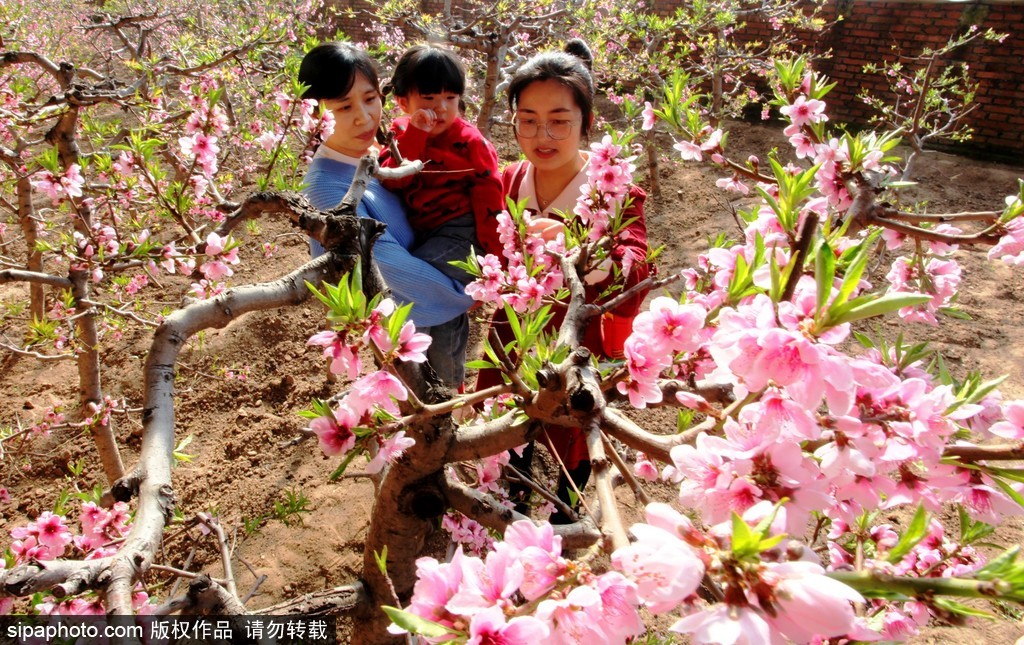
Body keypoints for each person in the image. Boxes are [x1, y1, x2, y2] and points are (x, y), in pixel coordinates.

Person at [478, 40, 652, 523]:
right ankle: (510, 493)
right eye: (527, 118)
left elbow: (635, 264)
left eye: (560, 119)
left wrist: (581, 245)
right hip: (515, 328)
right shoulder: (511, 179)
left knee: (572, 426)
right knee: (509, 414)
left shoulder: (612, 191)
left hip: (577, 336)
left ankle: (567, 510)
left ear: (586, 122)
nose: (543, 134)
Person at [297, 42, 473, 357]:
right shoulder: (326, 188)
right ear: (313, 113)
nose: (364, 118)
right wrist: (467, 290)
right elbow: (388, 272)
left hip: (435, 319)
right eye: (343, 107)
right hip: (412, 329)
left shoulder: (375, 155)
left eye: (369, 99)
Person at [377, 44, 504, 388]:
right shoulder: (402, 136)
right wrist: (415, 134)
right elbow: (391, 180)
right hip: (429, 235)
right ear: (403, 102)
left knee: (417, 288)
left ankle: (427, 381)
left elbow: (491, 198)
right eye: (429, 99)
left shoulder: (470, 142)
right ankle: (445, 386)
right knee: (443, 309)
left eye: (450, 98)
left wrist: (496, 258)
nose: (441, 109)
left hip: (464, 233)